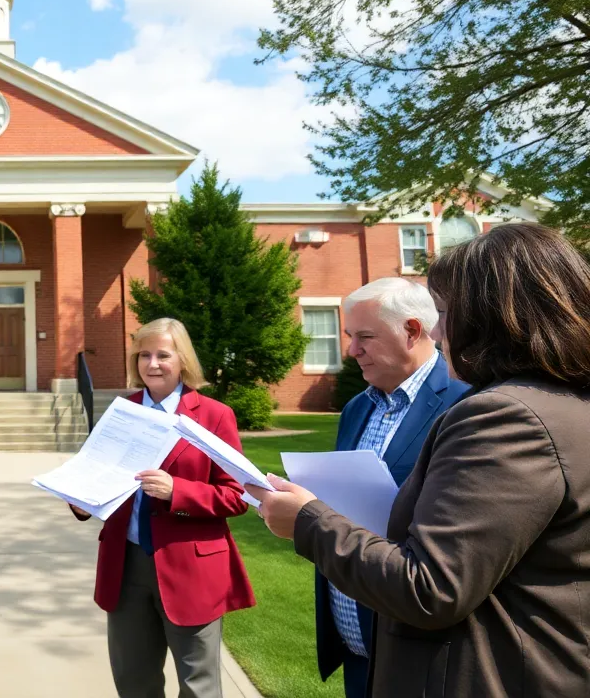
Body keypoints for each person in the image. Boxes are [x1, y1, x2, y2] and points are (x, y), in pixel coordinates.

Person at [249, 223, 590, 697]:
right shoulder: (567, 402)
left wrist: (306, 519)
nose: (436, 329)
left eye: (446, 312)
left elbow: (430, 588)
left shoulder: (505, 418)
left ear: (495, 318)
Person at [70, 317, 255, 698]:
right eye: (143, 354)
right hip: (126, 565)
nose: (152, 363)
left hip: (192, 566)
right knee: (134, 681)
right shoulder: (121, 410)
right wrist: (81, 500)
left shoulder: (214, 415)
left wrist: (177, 492)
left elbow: (237, 495)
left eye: (163, 355)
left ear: (183, 360)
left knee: (198, 685)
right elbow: (101, 475)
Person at [316, 278, 470, 698]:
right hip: (355, 646)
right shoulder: (357, 408)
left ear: (413, 331)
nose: (352, 351)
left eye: (365, 337)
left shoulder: (465, 405)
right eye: (351, 337)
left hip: (419, 653)